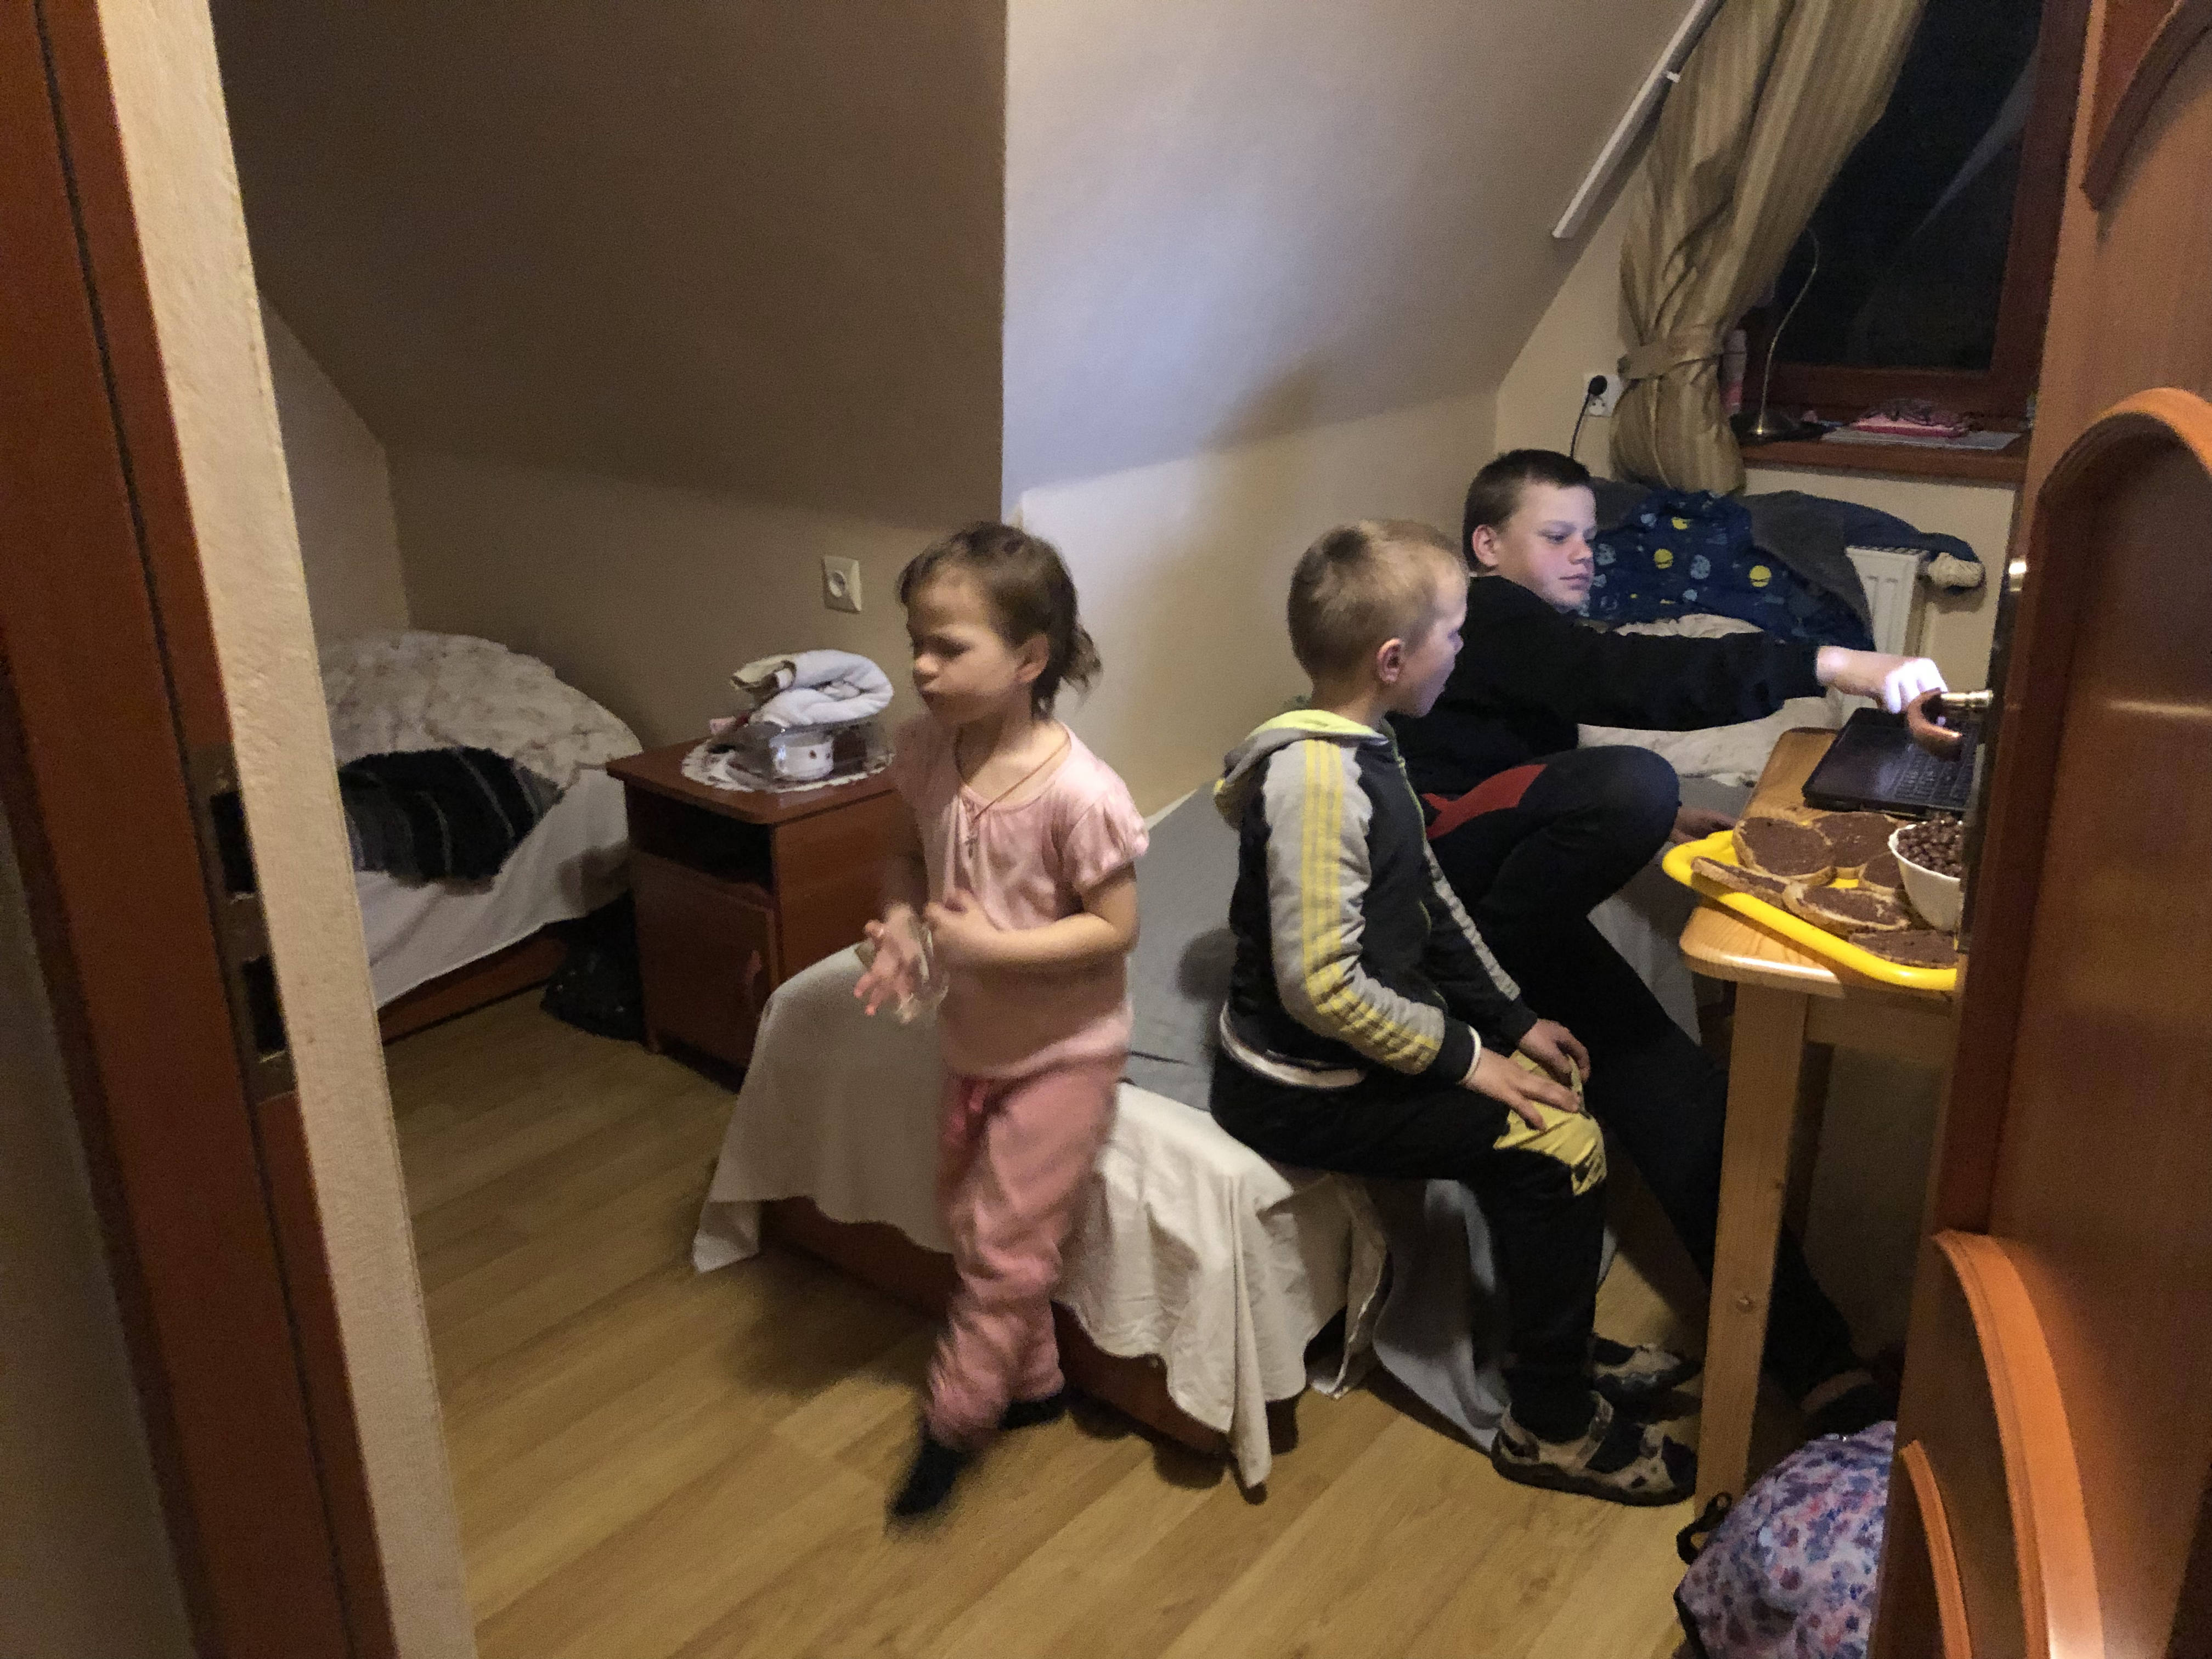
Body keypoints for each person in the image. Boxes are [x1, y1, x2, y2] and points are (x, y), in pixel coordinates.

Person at [1392, 450, 1935, 1435]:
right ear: (1487, 546)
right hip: (1448, 903)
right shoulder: (1482, 613)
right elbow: (1629, 679)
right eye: (1555, 536)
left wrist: (1668, 812)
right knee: (1632, 783)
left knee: (1680, 1095)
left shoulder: (1518, 642)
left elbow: (1526, 763)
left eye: (1588, 539)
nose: (1580, 557)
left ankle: (1811, 1358)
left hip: (1504, 907)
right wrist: (1833, 664)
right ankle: (1817, 1366)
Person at [1209, 518, 1697, 1505]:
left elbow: (1433, 906)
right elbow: (1322, 988)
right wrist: (1470, 1061)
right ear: (1395, 660)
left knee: (1558, 1086)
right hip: (1291, 1086)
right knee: (1556, 1144)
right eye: (1457, 634)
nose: (1466, 650)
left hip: (1337, 1058)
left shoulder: (1372, 749)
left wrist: (1512, 1019)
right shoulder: (1316, 781)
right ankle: (1547, 1426)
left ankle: (1544, 1352)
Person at [855, 523, 1149, 1520]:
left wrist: (991, 951)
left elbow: (1114, 931)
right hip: (974, 1038)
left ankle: (955, 1422)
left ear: (1030, 660)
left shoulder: (1079, 793)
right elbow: (904, 854)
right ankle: (1036, 1388)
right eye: (916, 641)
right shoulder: (929, 751)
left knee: (1003, 1250)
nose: (919, 666)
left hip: (1066, 1051)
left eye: (947, 647)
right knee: (964, 1212)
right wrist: (901, 924)